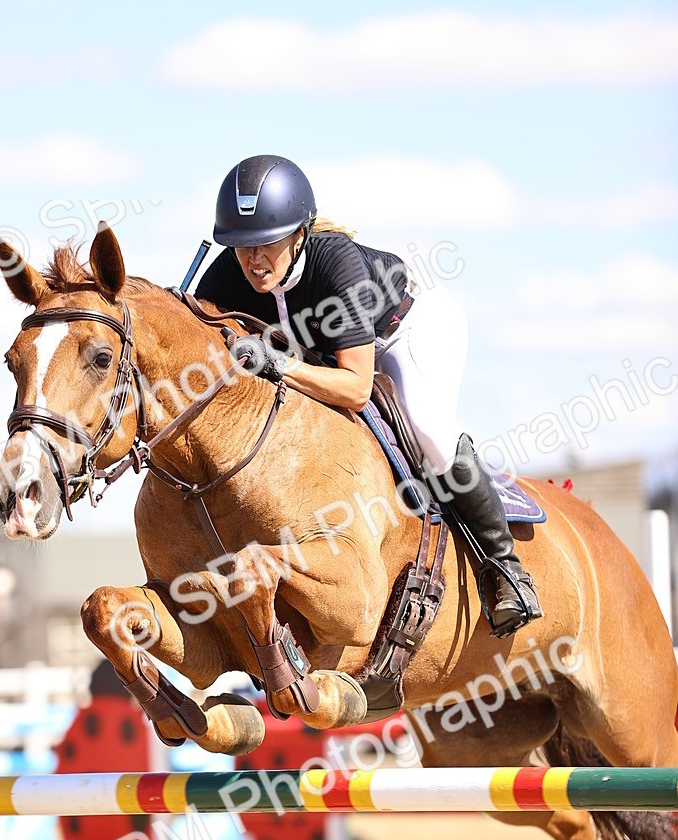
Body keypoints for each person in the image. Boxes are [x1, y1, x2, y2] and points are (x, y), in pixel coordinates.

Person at [194, 153, 541, 637]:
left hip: (407, 332)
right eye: (242, 246)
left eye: (268, 242)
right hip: (324, 355)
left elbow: (356, 388)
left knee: (428, 430)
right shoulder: (228, 277)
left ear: (299, 234)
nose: (253, 260)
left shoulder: (335, 261)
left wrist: (276, 364)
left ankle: (506, 571)